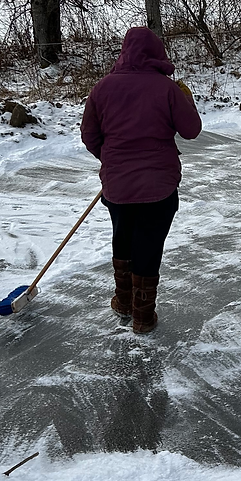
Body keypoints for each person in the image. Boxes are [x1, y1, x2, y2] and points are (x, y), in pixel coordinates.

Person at [80, 26, 202, 334]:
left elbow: (90, 135)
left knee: (123, 235)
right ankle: (143, 317)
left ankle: (123, 302)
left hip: (118, 184)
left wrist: (111, 160)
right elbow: (191, 130)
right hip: (159, 186)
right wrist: (187, 101)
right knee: (148, 243)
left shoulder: (102, 88)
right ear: (157, 53)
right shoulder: (167, 88)